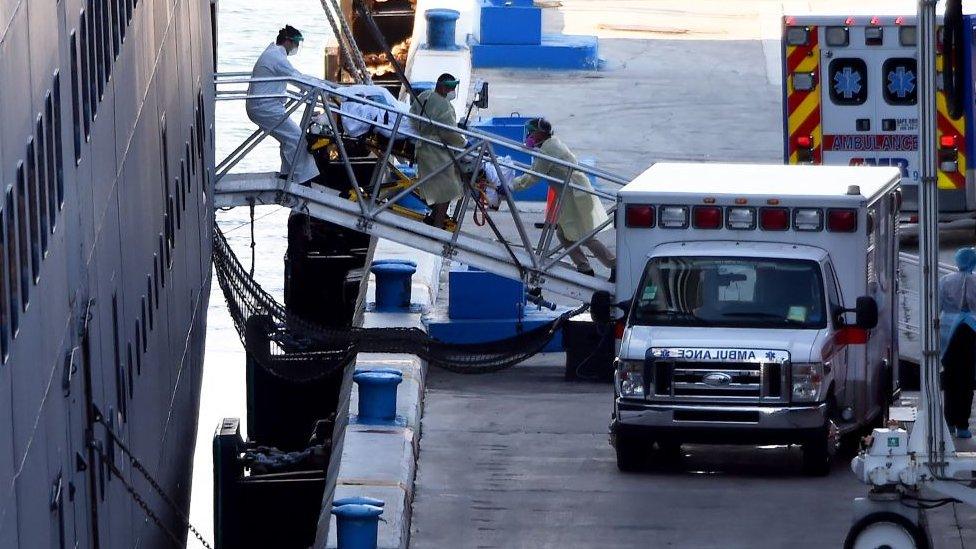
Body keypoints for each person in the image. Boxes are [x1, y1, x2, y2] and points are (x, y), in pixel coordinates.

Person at [512, 118, 615, 278]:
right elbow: (536, 169)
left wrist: (511, 186)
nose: (529, 135)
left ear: (540, 133)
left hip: (576, 195)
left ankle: (612, 265)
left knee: (584, 236)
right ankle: (585, 267)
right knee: (565, 233)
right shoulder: (550, 144)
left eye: (532, 132)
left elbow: (534, 176)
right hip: (572, 194)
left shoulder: (548, 150)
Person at [246, 25, 319, 184]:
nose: (296, 47)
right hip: (265, 107)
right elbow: (297, 78)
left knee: (288, 137)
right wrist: (321, 89)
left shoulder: (273, 54)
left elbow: (297, 77)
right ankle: (300, 179)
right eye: (295, 43)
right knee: (296, 137)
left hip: (266, 106)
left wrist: (318, 84)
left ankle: (288, 174)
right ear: (287, 41)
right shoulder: (276, 57)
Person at [410, 73, 467, 228]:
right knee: (447, 190)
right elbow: (449, 132)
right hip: (436, 152)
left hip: (423, 146)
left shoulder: (424, 95)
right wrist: (464, 143)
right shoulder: (444, 106)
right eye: (451, 89)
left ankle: (434, 217)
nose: (453, 92)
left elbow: (412, 114)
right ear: (442, 87)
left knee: (439, 188)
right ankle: (437, 225)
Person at [939, 247, 976, 438]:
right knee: (967, 381)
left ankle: (949, 421)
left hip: (948, 334)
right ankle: (963, 424)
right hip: (970, 332)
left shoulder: (945, 281)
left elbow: (937, 307)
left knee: (950, 379)